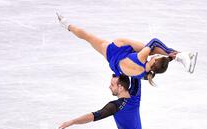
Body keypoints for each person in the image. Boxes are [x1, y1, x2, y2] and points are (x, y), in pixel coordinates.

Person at [56, 12, 198, 86]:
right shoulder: (145, 75)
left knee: (89, 37)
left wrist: (168, 56)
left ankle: (66, 24)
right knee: (151, 49)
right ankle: (181, 56)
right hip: (113, 61)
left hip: (118, 48)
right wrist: (169, 57)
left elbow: (155, 41)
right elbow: (159, 63)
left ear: (154, 62)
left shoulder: (142, 58)